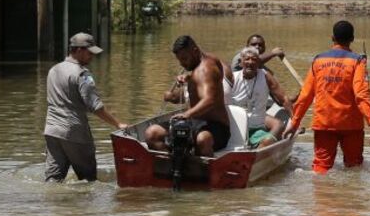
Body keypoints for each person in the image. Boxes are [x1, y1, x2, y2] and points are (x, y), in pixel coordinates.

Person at [284, 20, 370, 174]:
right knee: (354, 167)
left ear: (332, 38)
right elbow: (362, 95)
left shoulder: (318, 60)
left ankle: (322, 197)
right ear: (352, 39)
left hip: (324, 123)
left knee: (321, 168)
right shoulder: (357, 62)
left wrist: (294, 123)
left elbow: (305, 96)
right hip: (351, 125)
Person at [43, 32, 126, 182]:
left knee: (53, 180)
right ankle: (85, 206)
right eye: (89, 53)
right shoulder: (82, 74)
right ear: (79, 50)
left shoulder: (53, 70)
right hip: (74, 132)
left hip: (51, 130)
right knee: (88, 180)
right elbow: (95, 106)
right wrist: (118, 123)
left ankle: (52, 205)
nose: (92, 57)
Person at [145, 35, 231, 157]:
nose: (182, 64)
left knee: (203, 139)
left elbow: (210, 99)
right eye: (179, 60)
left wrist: (187, 114)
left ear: (195, 51)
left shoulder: (205, 70)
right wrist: (190, 79)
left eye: (184, 58)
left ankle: (205, 173)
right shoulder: (207, 60)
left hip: (216, 127)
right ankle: (171, 166)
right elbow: (204, 85)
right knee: (152, 133)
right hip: (194, 122)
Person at [230, 47, 291, 148]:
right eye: (247, 59)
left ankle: (257, 153)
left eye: (254, 59)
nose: (250, 62)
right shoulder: (232, 78)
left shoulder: (265, 76)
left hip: (257, 129)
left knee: (268, 140)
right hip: (235, 129)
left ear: (258, 63)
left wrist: (295, 121)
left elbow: (283, 99)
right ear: (241, 63)